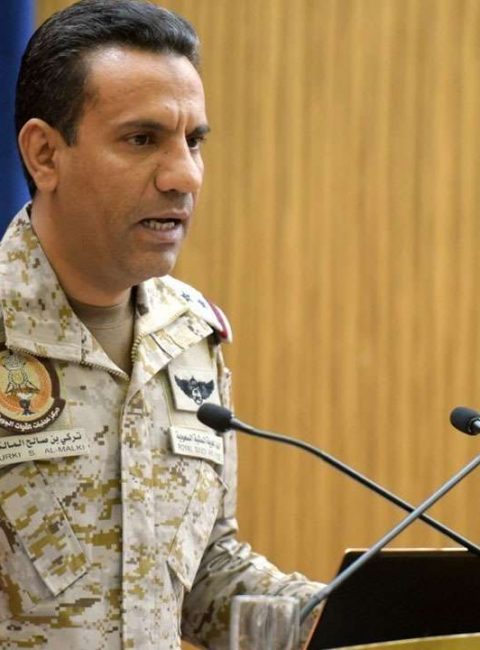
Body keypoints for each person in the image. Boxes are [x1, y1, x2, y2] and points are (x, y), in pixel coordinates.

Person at [0, 1, 323, 647]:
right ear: (45, 154)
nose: (184, 175)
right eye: (142, 140)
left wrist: (347, 615)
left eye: (193, 141)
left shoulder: (189, 335)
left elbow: (203, 575)